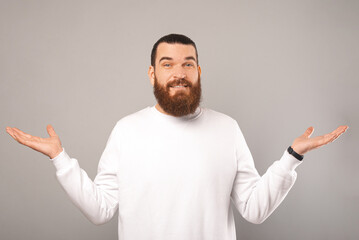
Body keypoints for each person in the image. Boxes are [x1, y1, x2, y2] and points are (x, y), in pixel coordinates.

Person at [6, 33, 348, 240]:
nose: (179, 74)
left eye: (188, 64)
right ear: (152, 73)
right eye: (168, 64)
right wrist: (60, 159)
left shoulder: (227, 129)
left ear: (198, 72)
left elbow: (254, 209)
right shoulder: (127, 130)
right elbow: (100, 210)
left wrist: (291, 157)